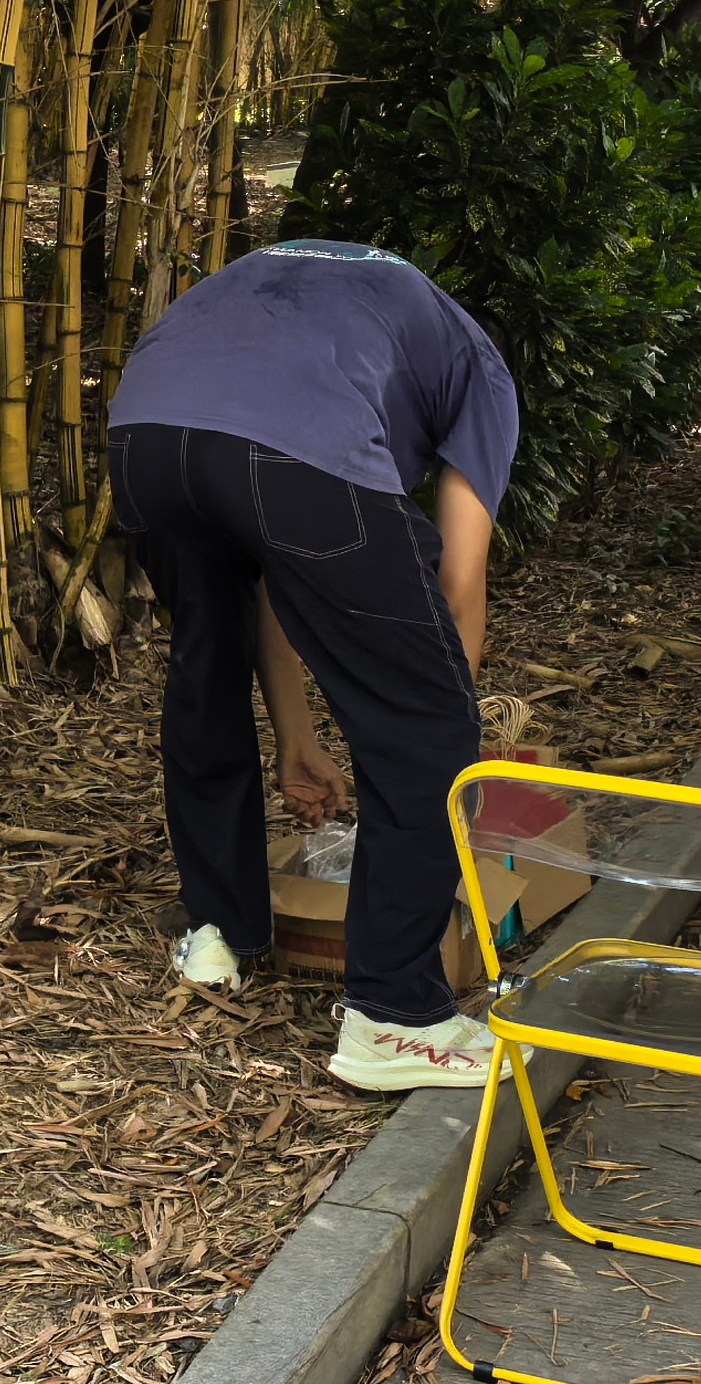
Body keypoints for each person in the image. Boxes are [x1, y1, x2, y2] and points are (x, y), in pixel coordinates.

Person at [108, 236, 518, 1092]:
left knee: (204, 665)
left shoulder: (319, 293)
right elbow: (458, 584)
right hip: (289, 453)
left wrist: (297, 737)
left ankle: (217, 933)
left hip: (144, 433)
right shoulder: (481, 371)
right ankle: (397, 1016)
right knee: (428, 722)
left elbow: (276, 563)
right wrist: (442, 742)